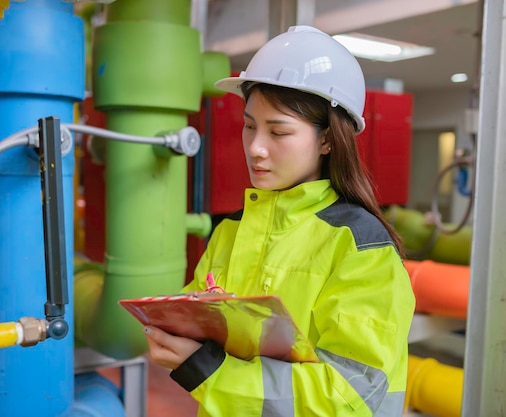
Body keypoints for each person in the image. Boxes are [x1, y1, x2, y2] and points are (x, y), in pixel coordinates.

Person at [143, 25, 416, 417]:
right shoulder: (230, 231)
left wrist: (210, 372)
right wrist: (170, 329)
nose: (255, 147)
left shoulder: (361, 247)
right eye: (250, 125)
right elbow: (199, 322)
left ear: (327, 140)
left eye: (278, 131)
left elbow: (351, 397)